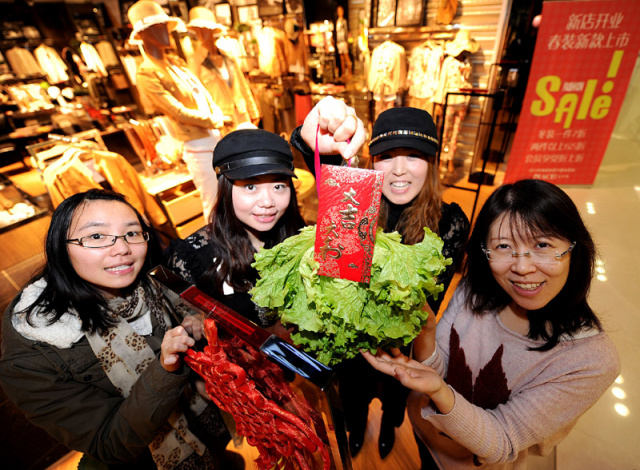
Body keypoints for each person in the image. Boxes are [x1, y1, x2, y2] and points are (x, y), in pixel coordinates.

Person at [362, 179, 620, 469]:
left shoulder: (592, 360)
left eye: (543, 244)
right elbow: (438, 366)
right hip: (425, 432)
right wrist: (426, 332)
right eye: (504, 246)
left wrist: (439, 391)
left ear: (575, 248)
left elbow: (502, 439)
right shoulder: (475, 288)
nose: (522, 267)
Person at [0, 189, 242, 470]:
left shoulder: (155, 280)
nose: (122, 248)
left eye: (131, 233)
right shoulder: (36, 350)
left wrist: (196, 330)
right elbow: (108, 442)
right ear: (60, 248)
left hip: (207, 433)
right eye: (96, 236)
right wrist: (165, 369)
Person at [291, 100, 470, 459]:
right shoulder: (355, 201)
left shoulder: (450, 223)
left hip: (405, 350)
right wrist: (306, 136)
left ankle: (388, 429)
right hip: (353, 345)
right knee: (353, 397)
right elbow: (317, 158)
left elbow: (428, 305)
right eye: (387, 155)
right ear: (372, 161)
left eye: (414, 156)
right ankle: (357, 430)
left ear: (432, 164)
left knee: (396, 401)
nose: (399, 170)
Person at [164, 129, 304, 329]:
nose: (267, 202)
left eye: (278, 186)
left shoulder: (298, 237)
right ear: (225, 189)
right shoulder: (192, 258)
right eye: (250, 186)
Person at [128, 0, 225, 222]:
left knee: (228, 195)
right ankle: (218, 252)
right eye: (157, 27)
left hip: (214, 136)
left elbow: (201, 91)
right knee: (213, 202)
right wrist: (214, 120)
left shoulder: (175, 62)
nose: (166, 31)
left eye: (165, 25)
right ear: (144, 34)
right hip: (197, 142)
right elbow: (177, 111)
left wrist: (216, 114)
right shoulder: (146, 73)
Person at [186, 7, 260, 133]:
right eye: (198, 30)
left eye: (205, 29)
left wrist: (253, 111)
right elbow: (197, 96)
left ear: (213, 30)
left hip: (242, 114)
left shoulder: (228, 56)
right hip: (223, 120)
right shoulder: (195, 61)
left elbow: (243, 85)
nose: (202, 34)